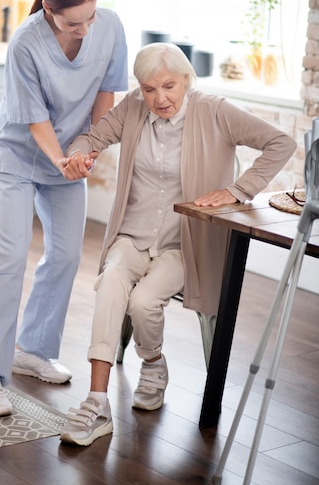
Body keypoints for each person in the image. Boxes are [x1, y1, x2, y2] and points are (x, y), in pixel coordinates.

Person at [56, 41, 297, 446]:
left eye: (168, 86)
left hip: (184, 244)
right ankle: (97, 404)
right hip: (132, 236)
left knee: (144, 301)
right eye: (149, 88)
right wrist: (78, 156)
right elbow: (91, 138)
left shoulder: (214, 110)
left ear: (186, 79)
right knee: (111, 281)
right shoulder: (134, 107)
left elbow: (281, 143)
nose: (159, 98)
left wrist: (238, 190)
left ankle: (152, 365)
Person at [0, 0, 128, 417]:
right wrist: (60, 157)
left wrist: (90, 147)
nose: (84, 30)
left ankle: (33, 349)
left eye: (90, 18)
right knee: (11, 253)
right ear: (49, 10)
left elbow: (105, 93)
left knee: (66, 254)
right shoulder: (25, 42)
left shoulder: (110, 25)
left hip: (69, 154)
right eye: (73, 22)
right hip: (17, 156)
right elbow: (34, 117)